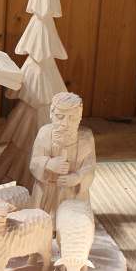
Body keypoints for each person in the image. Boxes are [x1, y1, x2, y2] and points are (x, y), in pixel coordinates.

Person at [30, 92, 96, 227]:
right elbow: (34, 161)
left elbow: (90, 167)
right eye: (60, 117)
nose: (65, 124)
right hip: (47, 193)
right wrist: (48, 163)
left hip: (73, 194)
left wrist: (77, 177)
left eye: (72, 118)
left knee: (73, 228)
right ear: (51, 114)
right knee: (41, 226)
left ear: (80, 117)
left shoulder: (86, 137)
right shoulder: (44, 133)